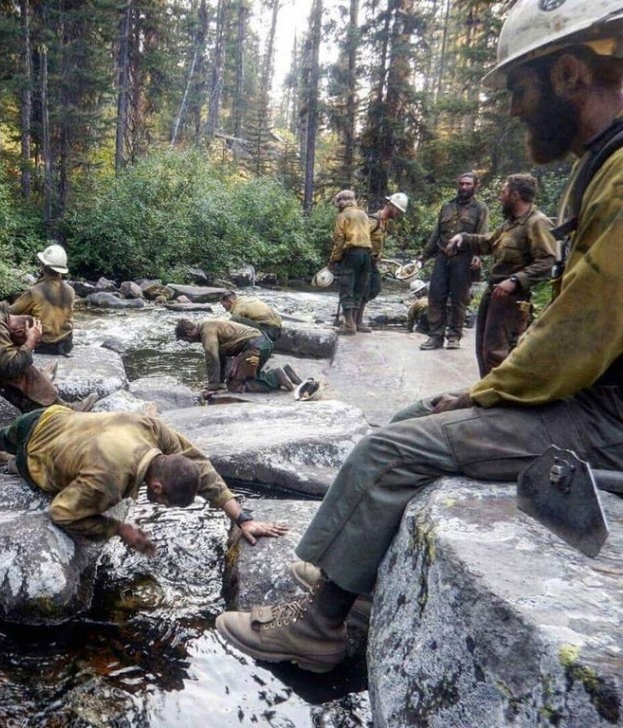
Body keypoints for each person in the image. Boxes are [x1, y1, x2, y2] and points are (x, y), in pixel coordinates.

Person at [215, 0, 623, 673]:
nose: (516, 111)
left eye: (519, 90)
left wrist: (487, 393)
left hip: (606, 416)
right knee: (411, 416)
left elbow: (582, 331)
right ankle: (355, 586)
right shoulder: (603, 161)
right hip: (592, 397)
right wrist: (483, 392)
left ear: (571, 73)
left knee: (389, 450)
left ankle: (319, 630)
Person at [0, 405, 288, 550]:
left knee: (1, 438)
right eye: (164, 502)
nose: (160, 505)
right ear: (157, 487)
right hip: (33, 457)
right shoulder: (109, 483)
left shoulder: (151, 427)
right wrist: (119, 528)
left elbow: (199, 466)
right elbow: (61, 512)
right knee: (17, 466)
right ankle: (6, 462)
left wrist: (241, 517)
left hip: (50, 416)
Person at [447, 174, 556, 377]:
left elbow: (547, 261)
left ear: (515, 195)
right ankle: (487, 392)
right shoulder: (510, 223)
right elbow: (489, 243)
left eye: (504, 192)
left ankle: (499, 399)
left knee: (498, 352)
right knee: (483, 348)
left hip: (512, 297)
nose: (500, 197)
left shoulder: (537, 223)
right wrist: (463, 237)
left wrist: (515, 281)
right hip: (495, 291)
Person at [417, 173, 489, 350]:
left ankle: (454, 336)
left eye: (468, 184)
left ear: (475, 186)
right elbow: (436, 233)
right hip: (442, 256)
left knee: (459, 298)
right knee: (435, 296)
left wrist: (478, 255)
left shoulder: (480, 208)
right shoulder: (447, 206)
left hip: (463, 258)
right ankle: (435, 336)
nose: (464, 187)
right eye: (461, 184)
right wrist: (424, 256)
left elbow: (483, 235)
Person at [174, 318, 301, 395]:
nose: (189, 343)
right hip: (263, 345)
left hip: (255, 349)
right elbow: (220, 355)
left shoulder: (207, 331)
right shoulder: (208, 325)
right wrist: (220, 382)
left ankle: (275, 377)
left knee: (235, 385)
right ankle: (286, 372)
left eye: (187, 340)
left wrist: (213, 386)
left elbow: (212, 357)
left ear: (189, 333)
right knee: (249, 375)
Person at [9, 243, 75, 356]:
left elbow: (10, 312)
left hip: (43, 346)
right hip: (66, 344)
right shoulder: (70, 290)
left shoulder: (35, 291)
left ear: (43, 266)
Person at [360, 192, 409, 333]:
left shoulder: (384, 222)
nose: (399, 214)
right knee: (363, 289)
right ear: (390, 205)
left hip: (372, 260)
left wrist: (379, 253)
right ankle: (355, 320)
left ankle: (357, 318)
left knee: (375, 287)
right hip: (364, 260)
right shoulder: (373, 220)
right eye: (398, 210)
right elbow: (360, 238)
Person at [328, 190, 372, 336]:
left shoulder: (343, 216)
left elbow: (339, 239)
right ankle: (356, 321)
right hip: (367, 254)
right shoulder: (363, 214)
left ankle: (349, 324)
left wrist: (334, 260)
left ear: (340, 202)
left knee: (346, 286)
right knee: (360, 288)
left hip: (351, 254)